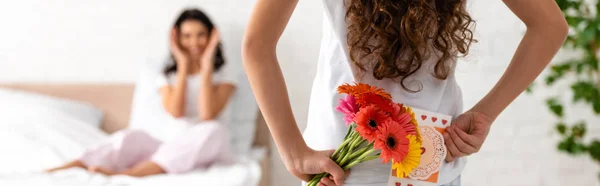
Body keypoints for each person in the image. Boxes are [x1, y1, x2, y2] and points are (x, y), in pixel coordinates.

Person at [242, 0, 567, 185]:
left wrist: (485, 113)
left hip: (415, 163)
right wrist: (293, 151)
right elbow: (257, 45)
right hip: (343, 169)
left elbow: (550, 27)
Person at [46, 9, 237, 177]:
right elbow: (176, 112)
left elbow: (207, 114)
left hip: (206, 147)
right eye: (187, 36)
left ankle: (131, 174)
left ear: (212, 36)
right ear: (177, 38)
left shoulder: (226, 73)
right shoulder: (168, 75)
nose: (194, 42)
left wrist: (206, 67)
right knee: (130, 137)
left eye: (200, 35)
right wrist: (184, 65)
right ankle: (75, 166)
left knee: (213, 129)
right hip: (170, 145)